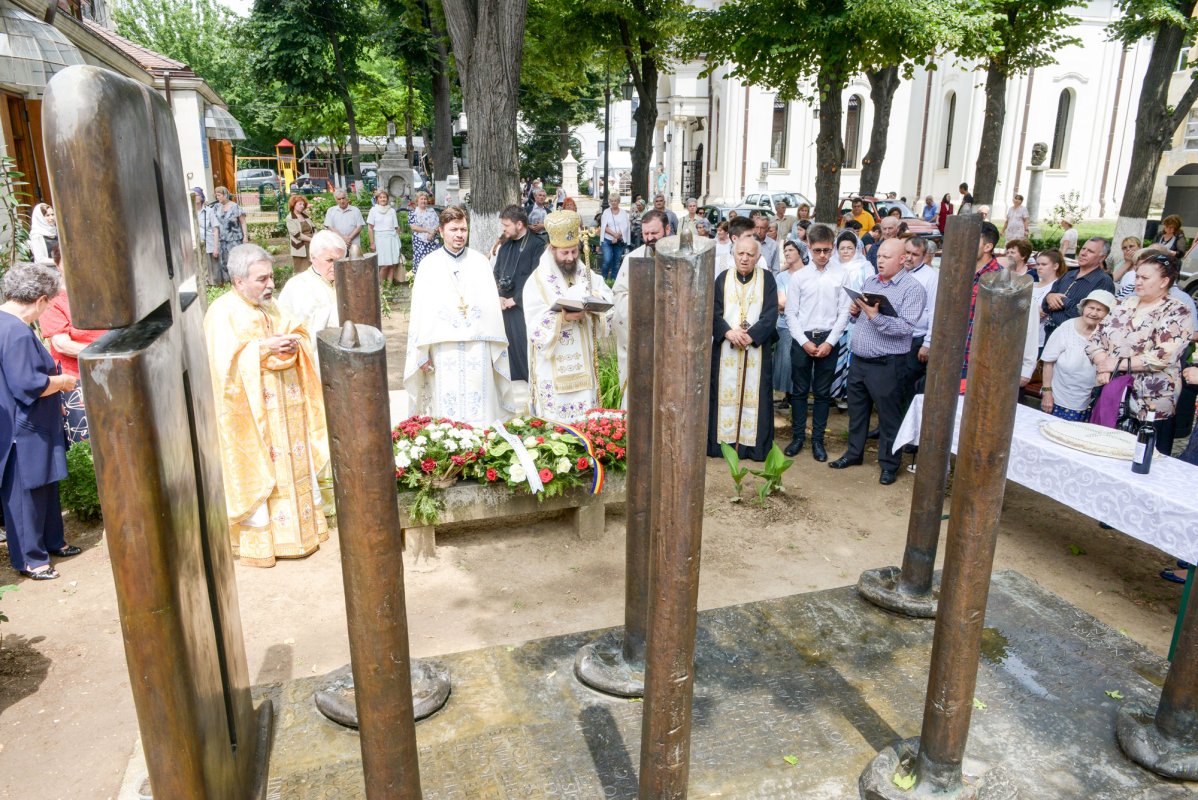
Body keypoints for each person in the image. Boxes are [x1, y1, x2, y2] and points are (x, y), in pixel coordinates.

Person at [205, 244, 329, 568]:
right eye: (261, 279)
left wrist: (292, 341)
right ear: (238, 280)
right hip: (252, 416)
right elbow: (222, 366)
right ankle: (263, 543)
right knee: (262, 469)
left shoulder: (271, 306)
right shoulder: (222, 313)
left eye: (271, 276)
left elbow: (297, 328)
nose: (270, 284)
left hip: (288, 409)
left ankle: (302, 533)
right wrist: (263, 348)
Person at [0, 264, 79, 580]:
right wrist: (62, 382)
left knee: (45, 485)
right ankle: (31, 559)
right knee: (26, 492)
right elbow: (27, 384)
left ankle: (52, 541)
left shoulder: (8, 324)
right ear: (41, 299)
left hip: (30, 422)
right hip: (24, 426)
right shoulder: (16, 331)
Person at [404, 206, 515, 428]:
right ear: (442, 230)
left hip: (478, 345)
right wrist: (422, 351)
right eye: (453, 229)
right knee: (447, 407)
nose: (459, 234)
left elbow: (491, 309)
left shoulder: (480, 262)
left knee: (481, 403)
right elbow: (420, 311)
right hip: (443, 349)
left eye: (463, 229)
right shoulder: (429, 265)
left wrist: (495, 349)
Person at [830, 239, 926, 485]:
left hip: (888, 363)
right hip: (860, 361)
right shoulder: (870, 282)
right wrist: (856, 313)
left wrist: (875, 317)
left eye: (886, 256)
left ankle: (889, 464)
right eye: (878, 256)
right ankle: (853, 453)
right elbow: (860, 321)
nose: (880, 260)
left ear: (902, 259)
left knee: (888, 416)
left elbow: (905, 328)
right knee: (857, 412)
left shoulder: (912, 289)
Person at [1087, 250, 1194, 453]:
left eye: (1145, 278)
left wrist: (1117, 364)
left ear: (1164, 281)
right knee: (1105, 451)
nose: (1138, 281)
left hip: (1150, 402)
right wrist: (1103, 365)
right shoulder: (1123, 304)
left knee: (1141, 458)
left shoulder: (1177, 311)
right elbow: (1095, 340)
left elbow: (1164, 355)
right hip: (1112, 394)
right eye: (1137, 276)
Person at [523, 211, 614, 422]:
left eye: (574, 252)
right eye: (565, 253)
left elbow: (606, 300)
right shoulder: (537, 281)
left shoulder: (586, 273)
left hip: (584, 369)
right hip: (552, 370)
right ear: (552, 249)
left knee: (584, 421)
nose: (571, 258)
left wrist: (596, 303)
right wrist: (562, 318)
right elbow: (533, 326)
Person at [707, 235, 779, 462]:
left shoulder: (767, 279)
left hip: (756, 350)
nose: (745, 259)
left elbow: (771, 313)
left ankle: (753, 448)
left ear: (758, 257)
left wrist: (751, 336)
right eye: (741, 254)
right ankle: (722, 445)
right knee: (722, 392)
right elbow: (713, 311)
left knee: (756, 394)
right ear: (733, 255)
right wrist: (728, 332)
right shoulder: (723, 278)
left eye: (750, 254)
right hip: (727, 348)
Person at [784, 224, 850, 461]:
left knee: (823, 394)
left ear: (832, 248)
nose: (822, 255)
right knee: (799, 391)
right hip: (803, 338)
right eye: (817, 250)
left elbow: (844, 312)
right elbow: (790, 313)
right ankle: (798, 436)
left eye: (827, 250)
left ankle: (818, 441)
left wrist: (830, 342)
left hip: (828, 339)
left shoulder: (841, 275)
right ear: (809, 248)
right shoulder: (799, 277)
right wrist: (803, 342)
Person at [40, 247, 106, 444]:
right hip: (76, 378)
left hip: (111, 370)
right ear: (59, 265)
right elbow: (61, 344)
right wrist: (106, 353)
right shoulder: (53, 300)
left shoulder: (100, 291)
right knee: (88, 439)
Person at [612, 210, 668, 407]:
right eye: (646, 234)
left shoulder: (682, 259)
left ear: (667, 229)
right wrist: (643, 303)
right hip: (642, 339)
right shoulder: (632, 259)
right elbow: (619, 296)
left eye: (655, 233)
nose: (650, 238)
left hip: (670, 341)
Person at [277, 230, 347, 374]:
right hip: (312, 364)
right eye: (330, 260)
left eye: (340, 261)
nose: (336, 266)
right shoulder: (297, 286)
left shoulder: (346, 282)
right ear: (313, 258)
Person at [493, 205, 546, 389]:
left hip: (523, 308)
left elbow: (537, 278)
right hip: (503, 307)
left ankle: (532, 392)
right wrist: (498, 296)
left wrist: (515, 300)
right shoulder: (506, 244)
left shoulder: (537, 245)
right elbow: (497, 272)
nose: (504, 229)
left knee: (524, 355)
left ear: (520, 224)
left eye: (506, 225)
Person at [1040, 290, 1114, 421]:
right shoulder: (1067, 327)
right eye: (1090, 307)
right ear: (1083, 308)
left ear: (1108, 314)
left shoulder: (1108, 334)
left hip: (1089, 404)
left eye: (1100, 310)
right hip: (1057, 400)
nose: (1093, 313)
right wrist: (1047, 393)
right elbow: (1048, 362)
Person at [1042, 237, 1115, 342]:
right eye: (1083, 249)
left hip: (1075, 340)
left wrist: (1064, 301)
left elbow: (1096, 316)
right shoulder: (1069, 274)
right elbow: (1045, 305)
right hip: (1050, 334)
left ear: (1102, 258)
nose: (1083, 253)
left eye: (1090, 251)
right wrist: (1049, 297)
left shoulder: (1103, 281)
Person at [902, 236, 939, 413]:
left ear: (924, 256)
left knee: (910, 385)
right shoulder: (898, 270)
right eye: (907, 252)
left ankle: (906, 431)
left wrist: (928, 343)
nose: (909, 257)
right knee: (894, 385)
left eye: (915, 254)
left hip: (916, 338)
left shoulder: (931, 277)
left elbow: (934, 310)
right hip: (895, 337)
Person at [773, 240, 803, 411]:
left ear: (800, 252)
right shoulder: (782, 277)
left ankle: (799, 395)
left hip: (806, 325)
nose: (787, 253)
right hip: (785, 324)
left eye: (791, 249)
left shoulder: (808, 273)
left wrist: (792, 306)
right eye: (785, 250)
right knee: (786, 361)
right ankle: (788, 396)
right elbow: (781, 302)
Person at [368, 190, 404, 285]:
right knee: (384, 265)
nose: (383, 199)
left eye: (384, 197)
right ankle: (380, 287)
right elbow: (370, 228)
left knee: (392, 264)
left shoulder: (392, 211)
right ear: (377, 199)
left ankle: (389, 286)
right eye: (380, 197)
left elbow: (396, 227)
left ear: (387, 199)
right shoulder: (373, 210)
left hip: (392, 239)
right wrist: (372, 243)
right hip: (380, 239)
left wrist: (398, 238)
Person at [1032, 249, 1066, 350]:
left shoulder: (1058, 287)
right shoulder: (1032, 285)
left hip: (1040, 340)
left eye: (1044, 264)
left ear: (1055, 266)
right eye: (1037, 264)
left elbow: (1044, 312)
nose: (1039, 267)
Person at [212, 186, 246, 285]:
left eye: (219, 195)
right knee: (224, 262)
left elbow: (243, 222)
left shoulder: (235, 206)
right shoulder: (216, 207)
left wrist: (245, 236)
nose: (217, 197)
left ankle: (240, 282)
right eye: (216, 195)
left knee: (236, 261)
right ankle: (228, 283)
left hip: (235, 239)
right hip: (222, 240)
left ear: (225, 195)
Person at [599, 192, 631, 282]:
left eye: (615, 201)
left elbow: (626, 226)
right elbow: (604, 226)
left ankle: (614, 280)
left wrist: (617, 237)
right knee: (607, 260)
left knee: (616, 262)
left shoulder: (623, 213)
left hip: (619, 240)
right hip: (607, 240)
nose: (613, 203)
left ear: (619, 201)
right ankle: (603, 279)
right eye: (611, 201)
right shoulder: (606, 212)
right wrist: (614, 235)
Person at [408, 190, 441, 272]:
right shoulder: (413, 213)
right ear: (417, 201)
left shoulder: (432, 211)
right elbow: (413, 227)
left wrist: (432, 233)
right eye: (421, 199)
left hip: (432, 241)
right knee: (421, 261)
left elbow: (438, 224)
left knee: (434, 261)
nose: (423, 201)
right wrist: (427, 230)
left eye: (425, 199)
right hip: (419, 242)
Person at [194, 188, 220, 285]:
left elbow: (215, 229)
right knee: (199, 269)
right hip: (195, 246)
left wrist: (216, 247)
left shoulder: (209, 211)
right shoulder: (189, 212)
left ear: (201, 197)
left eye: (196, 195)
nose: (194, 197)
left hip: (208, 243)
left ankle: (214, 287)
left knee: (213, 270)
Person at [286, 194, 315, 273]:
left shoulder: (305, 216)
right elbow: (297, 235)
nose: (302, 206)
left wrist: (316, 238)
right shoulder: (290, 218)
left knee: (313, 270)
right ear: (293, 205)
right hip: (300, 248)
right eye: (300, 204)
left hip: (311, 246)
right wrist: (312, 240)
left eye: (303, 204)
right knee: (302, 271)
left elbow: (313, 229)